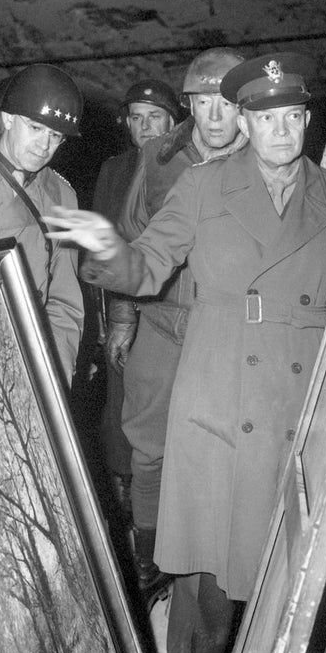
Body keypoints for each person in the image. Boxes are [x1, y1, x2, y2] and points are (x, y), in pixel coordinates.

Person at [45, 51, 326, 653]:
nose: (282, 130)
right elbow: (146, 265)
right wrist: (107, 247)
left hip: (302, 413)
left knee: (291, 588)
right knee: (208, 594)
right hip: (219, 401)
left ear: (306, 119)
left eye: (292, 116)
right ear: (244, 122)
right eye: (266, 117)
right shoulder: (204, 187)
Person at [108, 48, 247, 602]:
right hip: (163, 322)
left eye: (226, 103)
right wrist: (122, 316)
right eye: (202, 102)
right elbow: (127, 236)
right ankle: (149, 561)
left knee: (226, 446)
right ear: (188, 103)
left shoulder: (268, 152)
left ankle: (216, 566)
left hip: (228, 331)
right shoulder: (160, 156)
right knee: (147, 445)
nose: (214, 117)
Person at [0, 63, 85, 386]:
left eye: (56, 137)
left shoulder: (62, 197)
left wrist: (54, 381)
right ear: (7, 118)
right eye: (35, 128)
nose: (44, 146)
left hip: (21, 362)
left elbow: (64, 303)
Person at [89, 79, 180, 526]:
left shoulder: (187, 165)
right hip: (127, 308)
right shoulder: (114, 170)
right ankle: (129, 520)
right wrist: (119, 314)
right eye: (137, 118)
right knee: (121, 408)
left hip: (174, 310)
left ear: (173, 121)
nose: (145, 127)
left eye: (155, 117)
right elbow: (108, 244)